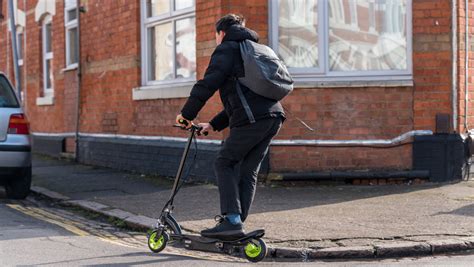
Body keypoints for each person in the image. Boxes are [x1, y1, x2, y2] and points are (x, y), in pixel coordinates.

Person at [176, 14, 285, 239]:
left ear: (221, 33)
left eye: (216, 36)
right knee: (248, 170)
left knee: (224, 162)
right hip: (273, 116)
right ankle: (236, 225)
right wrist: (213, 124)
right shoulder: (253, 50)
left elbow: (207, 84)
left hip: (253, 119)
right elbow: (243, 99)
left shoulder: (227, 49)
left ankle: (232, 221)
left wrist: (186, 115)